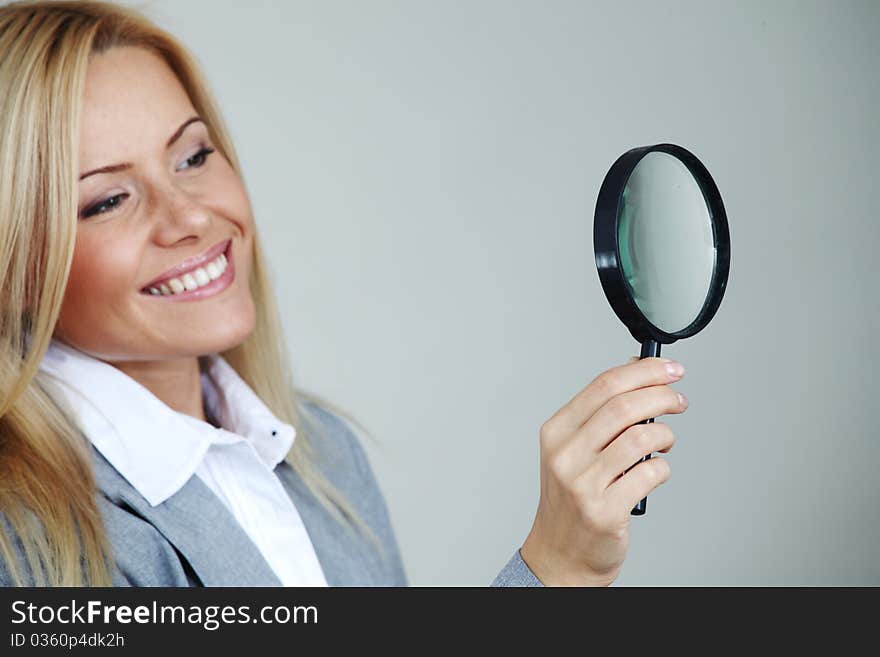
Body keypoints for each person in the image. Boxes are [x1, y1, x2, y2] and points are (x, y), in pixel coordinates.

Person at [0, 0, 687, 587]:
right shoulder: (27, 544)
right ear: (16, 270)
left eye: (193, 156)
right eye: (110, 199)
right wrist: (556, 570)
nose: (189, 217)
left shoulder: (324, 455)